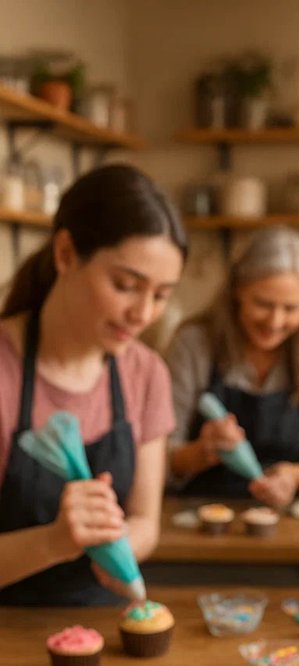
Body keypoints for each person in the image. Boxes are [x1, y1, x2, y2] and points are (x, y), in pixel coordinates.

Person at [0, 163, 186, 606]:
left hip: (102, 627)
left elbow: (145, 519)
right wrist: (54, 542)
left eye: (161, 295)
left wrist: (117, 547)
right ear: (65, 253)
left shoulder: (146, 373)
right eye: (126, 285)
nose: (143, 314)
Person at [167, 227, 299, 506]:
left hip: (285, 522)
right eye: (263, 304)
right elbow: (161, 455)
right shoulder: (194, 345)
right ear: (238, 291)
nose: (275, 322)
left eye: (290, 308)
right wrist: (202, 451)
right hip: (197, 515)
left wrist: (291, 476)